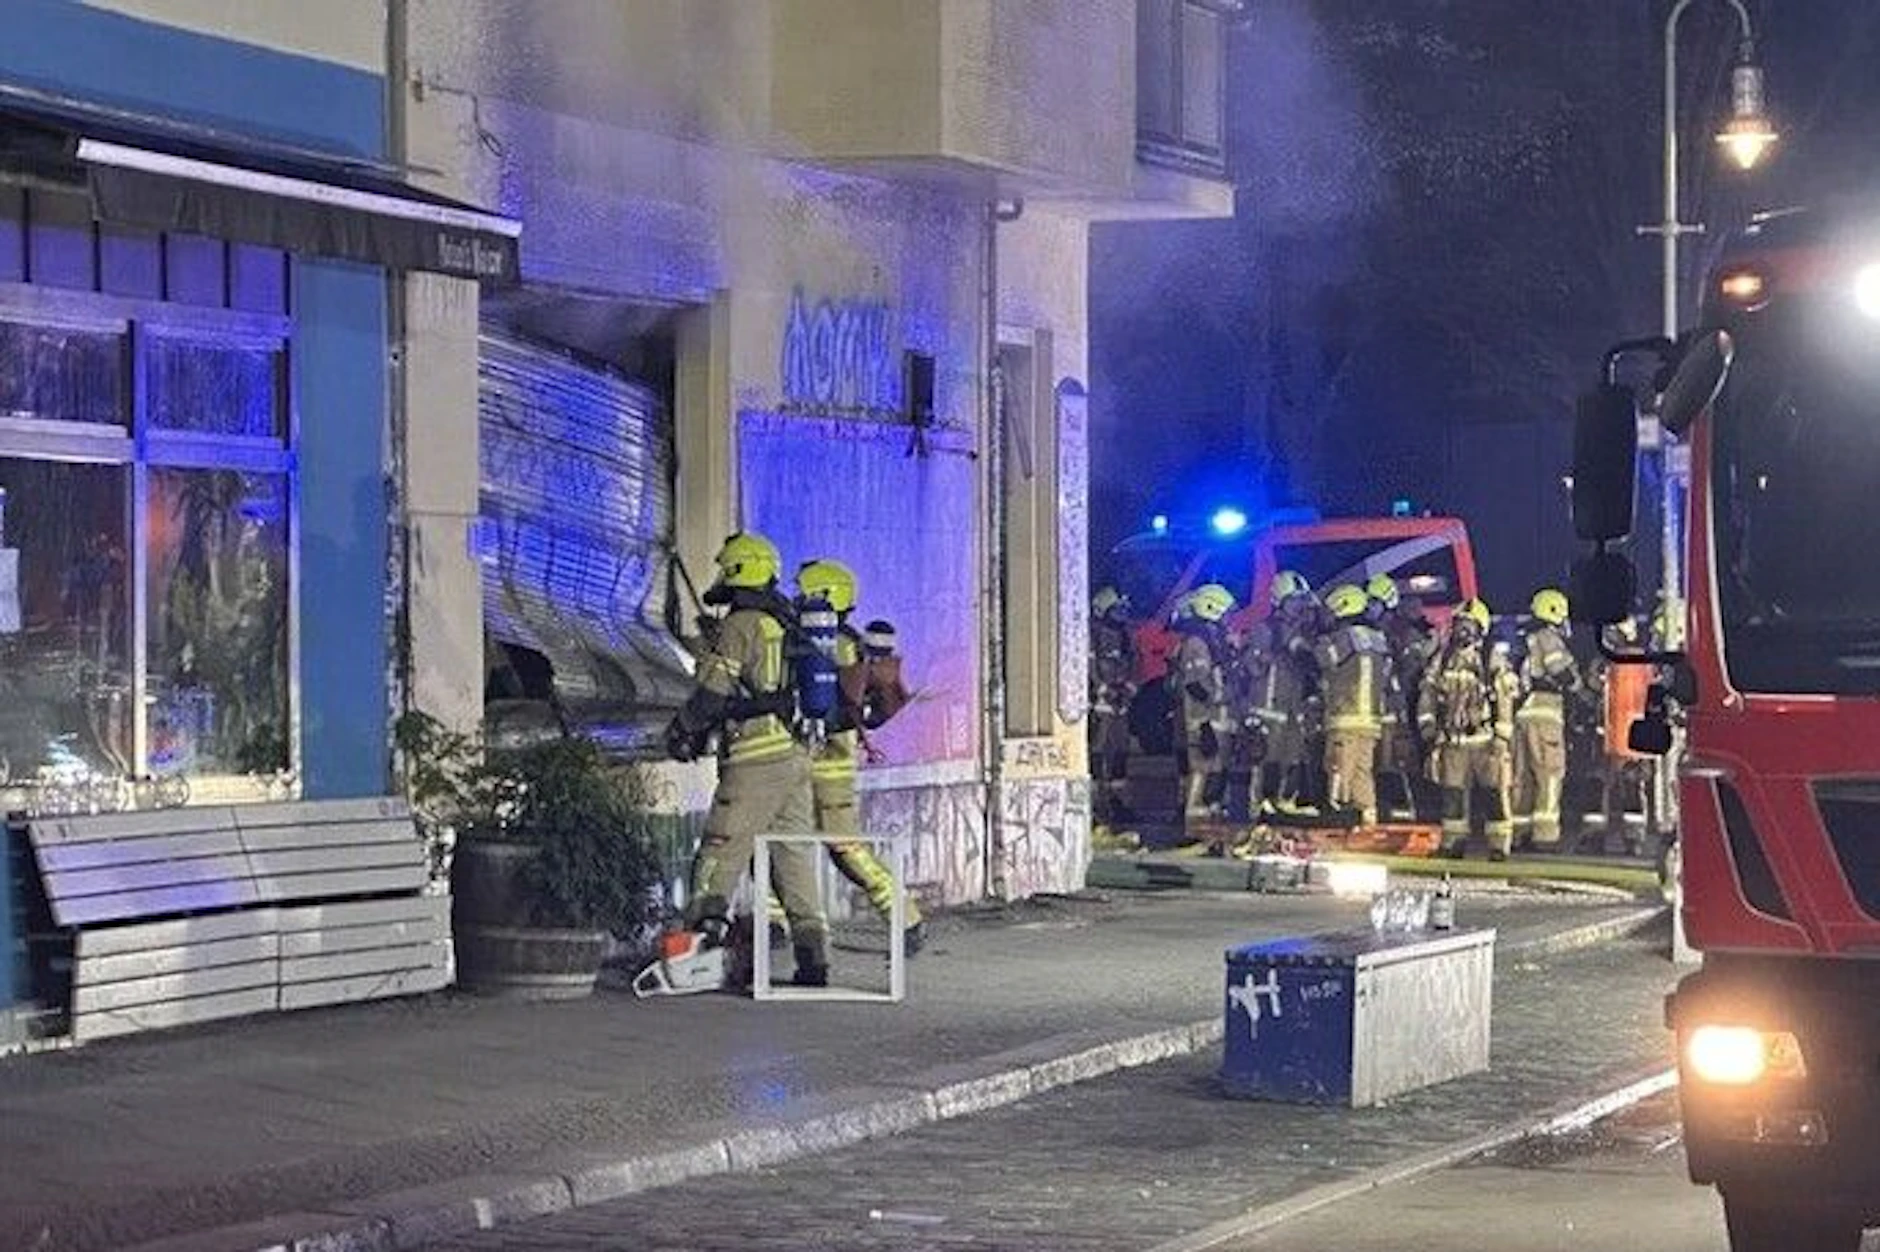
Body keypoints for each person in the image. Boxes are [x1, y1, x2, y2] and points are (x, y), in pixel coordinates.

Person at [666, 531, 828, 987]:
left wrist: (681, 730)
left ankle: (696, 955)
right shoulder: (785, 621)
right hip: (796, 755)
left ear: (739, 572)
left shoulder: (740, 625)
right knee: (791, 859)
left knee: (719, 851)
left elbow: (712, 694)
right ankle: (813, 960)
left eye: (726, 570)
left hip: (756, 759)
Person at [791, 558, 927, 954]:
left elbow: (836, 701)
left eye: (804, 591)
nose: (798, 598)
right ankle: (779, 925)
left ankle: (905, 917)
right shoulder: (836, 639)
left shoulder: (837, 643)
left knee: (844, 846)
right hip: (811, 755)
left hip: (828, 757)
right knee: (781, 843)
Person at [1419, 597, 1518, 860]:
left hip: (1486, 741)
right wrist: (1428, 728)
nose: (1462, 630)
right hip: (1452, 742)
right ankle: (1453, 842)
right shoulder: (1442, 659)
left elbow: (1505, 697)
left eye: (1469, 625)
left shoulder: (1491, 658)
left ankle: (1498, 846)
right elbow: (1428, 695)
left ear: (1480, 629)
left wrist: (1502, 736)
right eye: (1459, 624)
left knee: (1494, 795)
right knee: (1452, 796)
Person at [1512, 587, 1583, 852]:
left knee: (1522, 777)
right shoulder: (1548, 637)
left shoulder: (1526, 638)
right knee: (1549, 774)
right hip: (1545, 713)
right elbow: (1559, 670)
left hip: (1522, 714)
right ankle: (1545, 835)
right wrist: (1579, 688)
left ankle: (1518, 832)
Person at [1316, 584, 1391, 826]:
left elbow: (1322, 659)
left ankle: (1339, 814)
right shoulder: (1378, 638)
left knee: (1339, 768)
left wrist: (1316, 640)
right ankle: (1368, 814)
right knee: (1362, 769)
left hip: (1345, 716)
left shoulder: (1344, 637)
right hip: (1371, 720)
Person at [1246, 570, 1320, 816]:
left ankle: (1286, 799)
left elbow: (1309, 661)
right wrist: (1270, 655)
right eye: (1294, 600)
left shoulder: (1303, 631)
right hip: (1269, 706)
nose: (1299, 605)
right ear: (1281, 600)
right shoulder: (1265, 629)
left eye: (1301, 600)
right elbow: (1252, 665)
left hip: (1293, 706)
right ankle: (1261, 801)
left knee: (1293, 754)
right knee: (1267, 755)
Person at [1170, 583, 1234, 851]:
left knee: (1215, 777)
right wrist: (1205, 723)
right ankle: (1193, 828)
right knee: (1201, 774)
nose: (1229, 619)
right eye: (1226, 613)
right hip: (1202, 722)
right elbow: (1195, 685)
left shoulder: (1214, 640)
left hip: (1218, 722)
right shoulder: (1197, 643)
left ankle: (1210, 828)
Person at [1368, 572, 1434, 819]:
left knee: (1395, 758)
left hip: (1396, 707)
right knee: (1378, 759)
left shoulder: (1402, 632)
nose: (1369, 607)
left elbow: (1411, 671)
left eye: (1374, 602)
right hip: (1377, 705)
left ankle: (1403, 807)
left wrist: (1402, 698)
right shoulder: (1375, 630)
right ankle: (1384, 806)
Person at [1088, 585, 1140, 843]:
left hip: (1120, 707)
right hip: (1099, 708)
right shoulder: (1093, 636)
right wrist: (1104, 690)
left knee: (1120, 755)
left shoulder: (1125, 636)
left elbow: (1134, 665)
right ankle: (1096, 807)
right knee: (1097, 757)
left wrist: (1128, 689)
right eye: (1115, 610)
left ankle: (1118, 802)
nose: (1121, 615)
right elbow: (1089, 668)